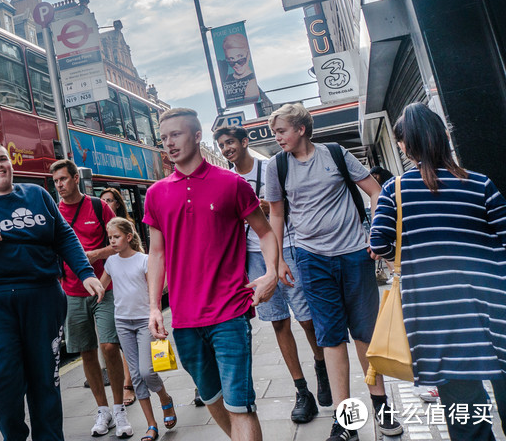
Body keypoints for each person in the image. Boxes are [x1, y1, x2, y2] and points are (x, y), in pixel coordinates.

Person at [0, 141, 105, 441]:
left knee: (45, 381)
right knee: (0, 380)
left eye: (3, 159)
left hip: (42, 298)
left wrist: (85, 272)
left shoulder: (37, 195)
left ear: (11, 163)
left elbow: (63, 236)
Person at [264, 103, 401, 441]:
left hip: (355, 254)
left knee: (365, 334)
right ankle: (346, 421)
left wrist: (376, 233)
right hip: (312, 260)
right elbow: (277, 216)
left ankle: (381, 405)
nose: (277, 137)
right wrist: (278, 260)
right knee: (330, 337)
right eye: (274, 132)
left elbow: (375, 191)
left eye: (281, 130)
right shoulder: (277, 166)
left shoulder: (336, 154)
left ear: (301, 129)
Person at [369, 103, 506, 441]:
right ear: (443, 138)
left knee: (467, 416)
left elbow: (379, 242)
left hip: (437, 315)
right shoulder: (480, 184)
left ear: (406, 146)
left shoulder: (396, 191)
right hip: (494, 305)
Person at [145, 108, 279, 441]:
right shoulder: (155, 194)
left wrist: (272, 272)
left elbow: (264, 231)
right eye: (164, 138)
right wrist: (152, 307)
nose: (169, 143)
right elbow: (157, 253)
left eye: (176, 135)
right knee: (212, 399)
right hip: (185, 320)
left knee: (240, 406)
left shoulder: (231, 183)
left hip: (230, 314)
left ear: (196, 136)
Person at [213, 125, 330, 423]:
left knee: (306, 320)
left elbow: (296, 202)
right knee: (278, 322)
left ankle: (322, 367)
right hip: (253, 257)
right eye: (222, 145)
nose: (227, 149)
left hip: (287, 249)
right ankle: (301, 390)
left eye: (231, 142)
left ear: (244, 142)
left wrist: (270, 206)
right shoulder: (225, 180)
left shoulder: (272, 167)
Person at [51, 160, 131, 438]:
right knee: (86, 351)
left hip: (103, 288)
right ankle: (103, 410)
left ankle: (119, 408)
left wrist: (95, 255)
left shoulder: (98, 206)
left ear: (76, 179)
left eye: (63, 179)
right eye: (56, 181)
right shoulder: (54, 211)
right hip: (71, 292)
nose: (59, 185)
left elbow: (120, 241)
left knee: (109, 346)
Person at [99, 217, 177, 441]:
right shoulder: (111, 262)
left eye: (116, 237)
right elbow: (101, 286)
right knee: (135, 376)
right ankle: (151, 425)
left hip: (145, 321)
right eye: (110, 238)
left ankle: (165, 399)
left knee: (146, 371)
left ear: (129, 237)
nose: (112, 241)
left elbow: (158, 288)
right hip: (122, 322)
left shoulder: (144, 260)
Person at [98, 187, 139, 409]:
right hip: (119, 310)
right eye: (102, 200)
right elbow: (102, 283)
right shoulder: (112, 261)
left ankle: (135, 386)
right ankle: (130, 385)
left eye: (110, 200)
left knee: (143, 366)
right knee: (118, 347)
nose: (106, 204)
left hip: (138, 313)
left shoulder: (140, 258)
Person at [221, 33, 259, 104]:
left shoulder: (252, 83)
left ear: (248, 55)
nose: (236, 64)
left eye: (240, 57)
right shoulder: (227, 77)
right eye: (231, 59)